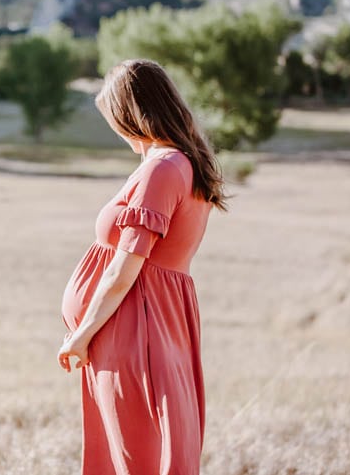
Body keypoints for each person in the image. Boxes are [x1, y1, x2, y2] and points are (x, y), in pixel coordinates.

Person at [57, 58, 228, 475]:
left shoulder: (162, 169)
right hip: (143, 327)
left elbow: (123, 270)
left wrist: (80, 336)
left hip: (135, 330)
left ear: (133, 114)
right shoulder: (180, 164)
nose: (116, 132)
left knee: (136, 455)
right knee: (136, 450)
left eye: (115, 119)